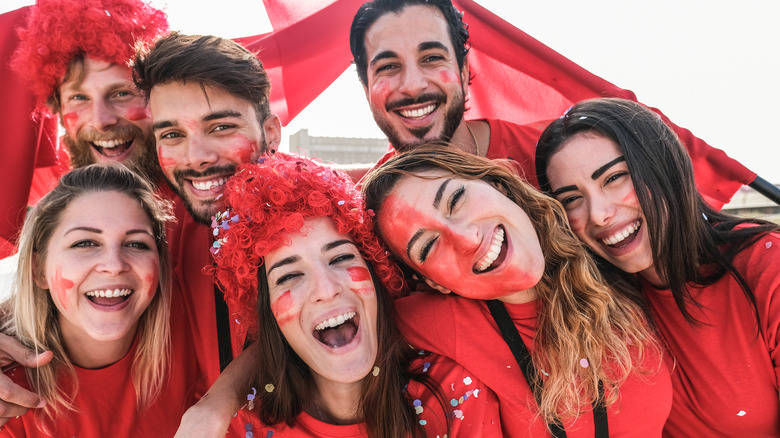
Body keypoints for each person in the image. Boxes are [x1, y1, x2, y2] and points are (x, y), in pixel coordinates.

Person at [361, 145, 672, 436]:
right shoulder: (442, 321)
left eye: (456, 200)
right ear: (433, 282)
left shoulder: (610, 250)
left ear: (499, 183)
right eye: (428, 246)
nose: (468, 238)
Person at [207, 152, 501, 436]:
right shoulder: (234, 425)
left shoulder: (454, 393)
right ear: (268, 311)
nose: (326, 290)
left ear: (377, 275)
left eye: (340, 258)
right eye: (290, 276)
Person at [535, 97, 780, 436]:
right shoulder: (593, 309)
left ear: (662, 166)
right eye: (572, 199)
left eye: (615, 177)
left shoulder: (766, 265)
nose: (597, 214)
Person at [132, 31, 282, 402]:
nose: (195, 156)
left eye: (221, 127)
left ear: (270, 133)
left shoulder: (331, 225)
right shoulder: (160, 233)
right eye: (172, 134)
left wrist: (219, 404)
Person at [0, 163, 202, 437]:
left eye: (136, 244)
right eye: (85, 243)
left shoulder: (196, 334)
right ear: (38, 269)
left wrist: (222, 401)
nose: (114, 265)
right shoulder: (9, 393)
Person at [348, 0, 542, 183]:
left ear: (464, 72)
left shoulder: (547, 156)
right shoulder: (361, 208)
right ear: (366, 90)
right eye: (388, 66)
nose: (413, 85)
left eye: (432, 58)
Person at [11, 0, 167, 182]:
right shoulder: (32, 190)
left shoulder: (199, 182)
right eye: (79, 97)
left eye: (122, 94)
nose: (100, 121)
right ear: (57, 106)